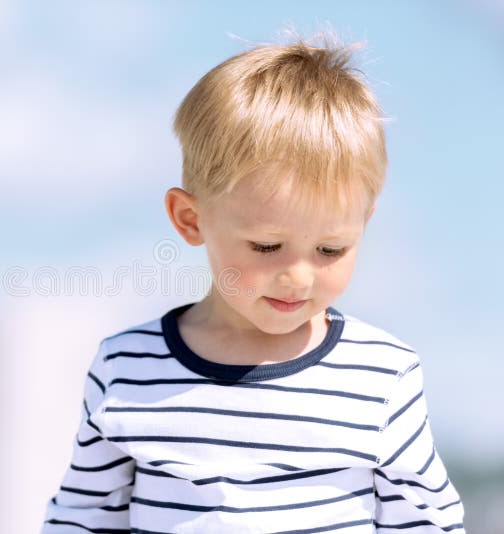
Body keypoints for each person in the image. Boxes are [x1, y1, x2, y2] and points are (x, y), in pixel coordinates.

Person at [40, 29, 465, 533]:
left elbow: (426, 524)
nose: (298, 276)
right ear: (190, 219)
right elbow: (81, 519)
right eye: (266, 246)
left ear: (365, 221)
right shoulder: (126, 369)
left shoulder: (382, 375)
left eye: (331, 249)